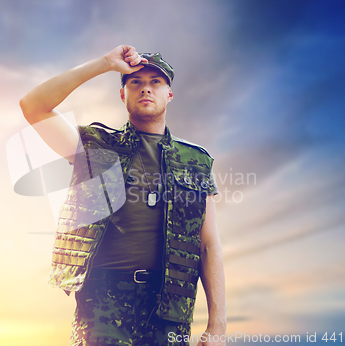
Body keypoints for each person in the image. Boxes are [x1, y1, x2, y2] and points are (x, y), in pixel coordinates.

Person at [19, 45, 226, 346]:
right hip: (103, 304)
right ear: (122, 94)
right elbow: (33, 106)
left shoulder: (195, 160)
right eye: (136, 82)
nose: (146, 89)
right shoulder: (94, 146)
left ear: (169, 94)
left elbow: (209, 245)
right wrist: (105, 64)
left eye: (156, 82)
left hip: (169, 308)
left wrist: (217, 325)